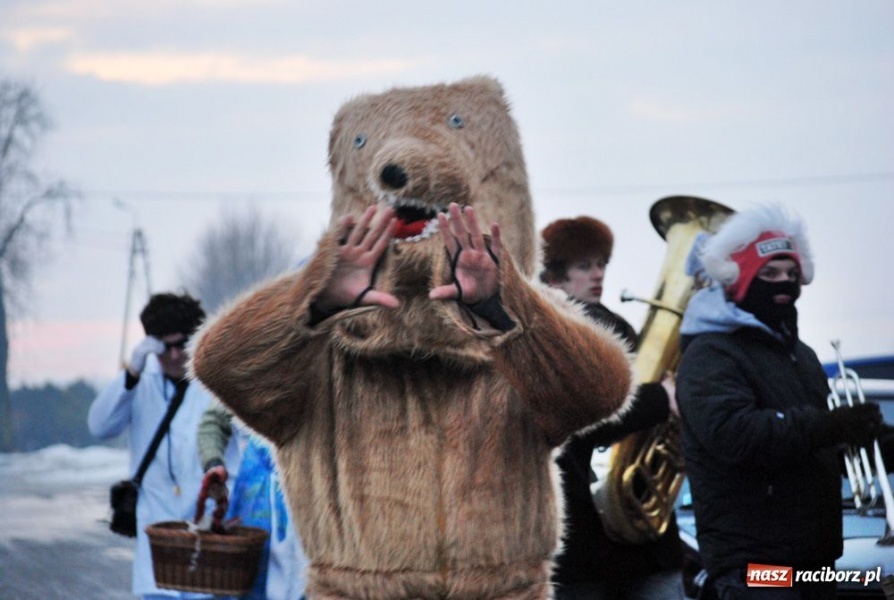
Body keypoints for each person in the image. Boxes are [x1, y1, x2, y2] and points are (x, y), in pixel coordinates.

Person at [675, 203, 884, 600]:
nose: (783, 283)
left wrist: (872, 440)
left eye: (791, 274)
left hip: (814, 560)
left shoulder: (801, 355)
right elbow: (734, 434)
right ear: (739, 281)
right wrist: (830, 425)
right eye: (769, 274)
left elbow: (813, 446)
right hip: (754, 567)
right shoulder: (710, 354)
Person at [539, 216, 685, 600]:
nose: (598, 274)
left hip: (641, 531)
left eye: (602, 264)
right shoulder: (551, 330)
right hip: (585, 535)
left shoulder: (614, 324)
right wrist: (660, 398)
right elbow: (581, 412)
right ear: (555, 273)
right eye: (584, 265)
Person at [88, 292, 240, 600]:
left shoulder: (217, 384)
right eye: (163, 347)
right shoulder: (139, 384)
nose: (173, 356)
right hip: (158, 548)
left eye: (180, 344)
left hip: (212, 536)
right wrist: (132, 373)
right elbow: (100, 426)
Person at [197, 399, 309, 600]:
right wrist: (213, 463)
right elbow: (213, 422)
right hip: (251, 500)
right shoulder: (243, 381)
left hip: (306, 499)